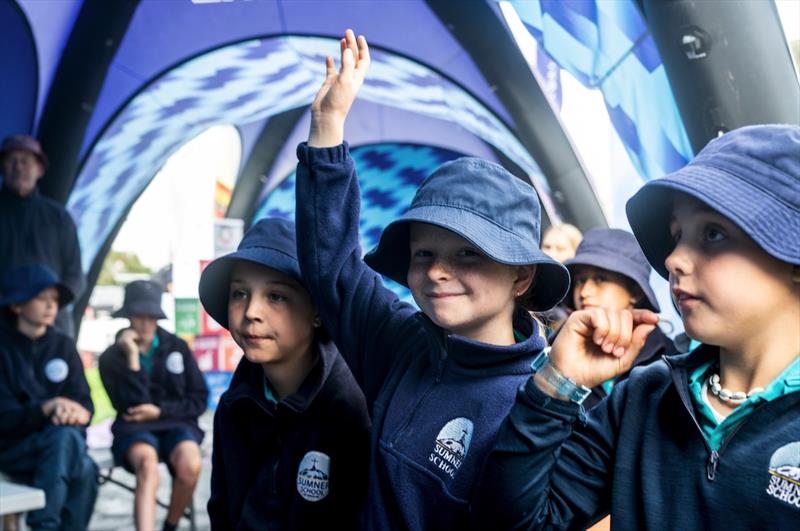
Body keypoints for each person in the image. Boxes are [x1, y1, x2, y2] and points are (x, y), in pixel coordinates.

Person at [294, 30, 570, 530]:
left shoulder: (542, 406)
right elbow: (332, 267)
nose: (438, 270)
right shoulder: (401, 344)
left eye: (468, 252)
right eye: (424, 253)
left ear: (522, 277)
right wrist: (327, 126)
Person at [472, 124, 800, 530]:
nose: (674, 259)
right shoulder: (643, 395)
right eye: (677, 235)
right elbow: (516, 521)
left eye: (713, 233)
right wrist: (556, 383)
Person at [200, 217, 371, 529]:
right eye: (239, 294)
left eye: (276, 296)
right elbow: (222, 512)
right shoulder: (232, 407)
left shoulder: (352, 409)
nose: (251, 312)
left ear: (319, 311)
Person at [99, 280, 208, 531]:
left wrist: (161, 411)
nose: (146, 322)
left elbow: (199, 398)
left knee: (190, 463)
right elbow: (130, 406)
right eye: (139, 315)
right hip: (134, 427)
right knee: (148, 465)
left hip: (176, 422)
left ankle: (170, 525)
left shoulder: (177, 347)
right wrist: (132, 358)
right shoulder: (111, 358)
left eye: (152, 316)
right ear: (128, 316)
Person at [0, 265, 97, 531]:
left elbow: (85, 404)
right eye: (42, 298)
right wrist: (46, 409)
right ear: (17, 305)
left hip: (59, 450)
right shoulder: (3, 348)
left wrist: (77, 413)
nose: (50, 305)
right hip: (15, 450)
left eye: (54, 300)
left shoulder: (63, 345)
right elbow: (4, 418)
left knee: (83, 464)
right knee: (79, 460)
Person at [562, 227, 676, 409]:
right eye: (580, 281)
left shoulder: (669, 361)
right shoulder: (558, 346)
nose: (584, 292)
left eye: (600, 279)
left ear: (635, 292)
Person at [0, 134, 84, 337]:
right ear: (2, 167)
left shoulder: (59, 217)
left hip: (54, 330)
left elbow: (76, 276)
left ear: (40, 169)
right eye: (12, 161)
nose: (18, 167)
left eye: (26, 161)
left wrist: (51, 303)